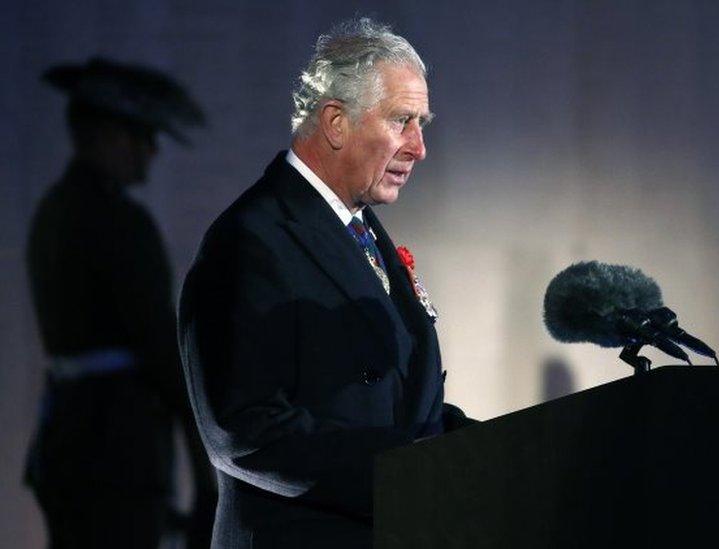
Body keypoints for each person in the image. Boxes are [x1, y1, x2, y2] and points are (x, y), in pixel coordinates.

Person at [178, 18, 472, 548]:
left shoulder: (358, 229)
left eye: (421, 122)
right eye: (402, 120)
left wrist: (488, 455)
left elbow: (398, 405)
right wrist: (405, 477)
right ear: (336, 122)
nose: (419, 147)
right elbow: (245, 431)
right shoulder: (250, 241)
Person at [26, 58, 216, 549]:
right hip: (116, 452)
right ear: (107, 134)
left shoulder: (54, 210)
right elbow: (160, 348)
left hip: (68, 444)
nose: (150, 151)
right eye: (140, 135)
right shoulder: (119, 222)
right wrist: (204, 467)